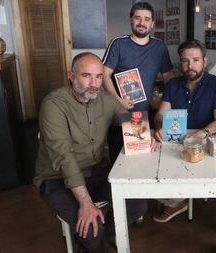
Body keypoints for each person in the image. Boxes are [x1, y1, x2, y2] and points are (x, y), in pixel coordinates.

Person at [34, 52, 148, 253]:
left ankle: (103, 235)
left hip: (97, 171)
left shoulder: (106, 99)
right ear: (71, 75)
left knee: (137, 205)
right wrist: (86, 203)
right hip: (57, 178)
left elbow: (131, 124)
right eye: (86, 76)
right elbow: (64, 158)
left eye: (98, 77)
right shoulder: (53, 104)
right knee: (91, 231)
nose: (94, 83)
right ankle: (95, 240)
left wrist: (146, 136)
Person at [153, 39, 216, 223]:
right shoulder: (172, 84)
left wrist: (201, 133)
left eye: (195, 60)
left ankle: (179, 199)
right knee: (154, 172)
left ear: (205, 60)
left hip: (206, 138)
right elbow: (161, 114)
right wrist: (159, 127)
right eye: (185, 61)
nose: (190, 66)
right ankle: (176, 201)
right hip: (175, 138)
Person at [102, 1, 173, 111]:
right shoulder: (118, 43)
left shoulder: (160, 47)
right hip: (119, 111)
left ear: (152, 23)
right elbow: (104, 75)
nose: (142, 23)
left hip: (145, 113)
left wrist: (168, 102)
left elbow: (168, 78)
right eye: (137, 18)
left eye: (147, 19)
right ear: (130, 19)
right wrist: (118, 100)